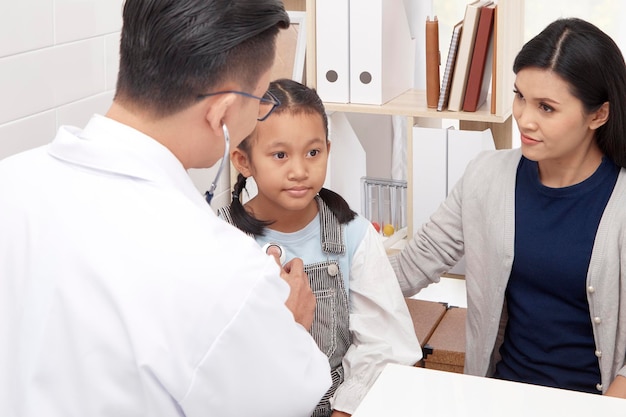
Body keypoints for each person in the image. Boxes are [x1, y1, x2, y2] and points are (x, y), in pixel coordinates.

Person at [0, 1, 332, 416]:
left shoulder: (10, 182)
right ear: (222, 112)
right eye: (259, 100)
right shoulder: (228, 274)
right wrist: (291, 327)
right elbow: (287, 401)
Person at [392, 17, 626, 398]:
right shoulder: (486, 176)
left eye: (547, 108)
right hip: (501, 395)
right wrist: (321, 285)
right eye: (520, 96)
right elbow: (414, 265)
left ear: (598, 114)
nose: (524, 118)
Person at [218, 78, 422, 417]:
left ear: (328, 149)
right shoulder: (222, 239)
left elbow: (386, 346)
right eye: (280, 155)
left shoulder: (352, 235)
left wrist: (344, 411)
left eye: (313, 152)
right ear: (244, 161)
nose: (300, 171)